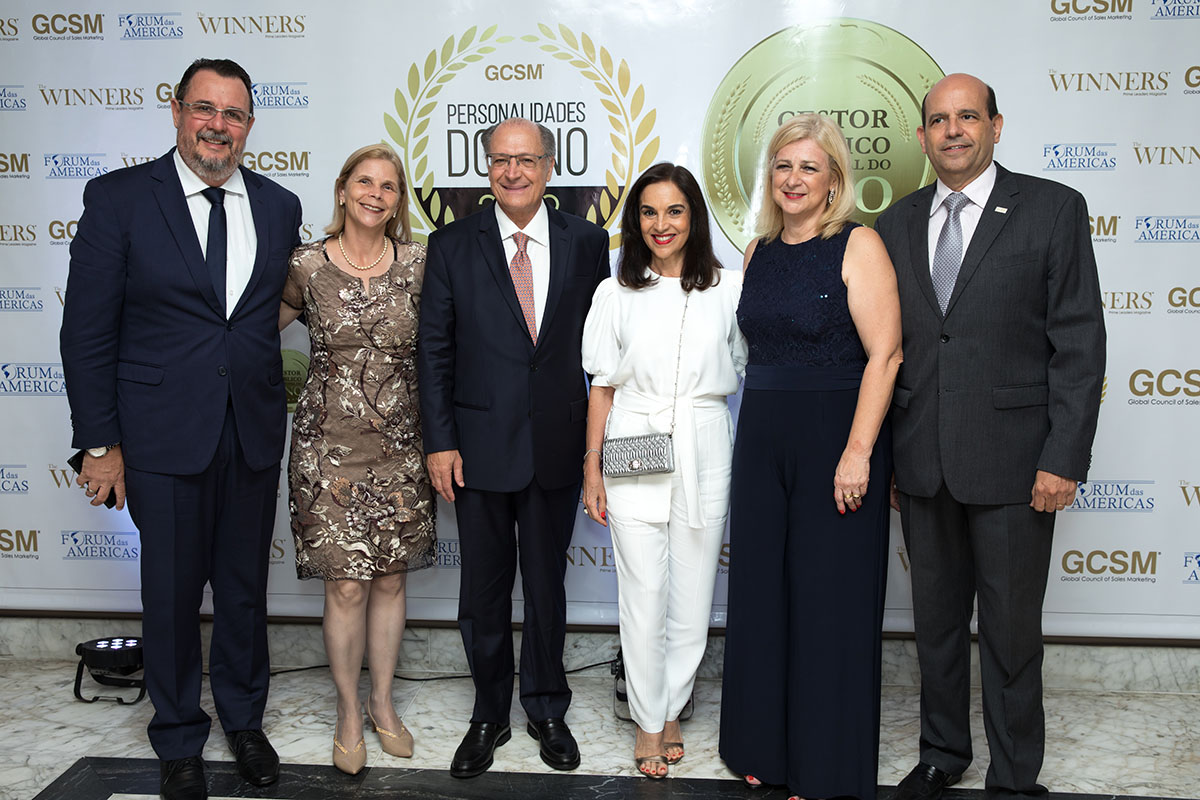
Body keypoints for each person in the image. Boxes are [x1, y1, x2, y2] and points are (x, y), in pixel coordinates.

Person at [59, 58, 302, 800]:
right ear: (176, 111)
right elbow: (86, 332)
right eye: (205, 109)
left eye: (233, 114)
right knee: (168, 596)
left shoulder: (279, 205)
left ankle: (245, 720)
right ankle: (177, 737)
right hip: (160, 436)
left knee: (244, 591)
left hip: (250, 431)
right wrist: (100, 445)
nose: (217, 126)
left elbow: (261, 316)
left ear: (249, 125)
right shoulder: (120, 199)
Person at [875, 73, 1105, 800]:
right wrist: (886, 457)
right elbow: (890, 349)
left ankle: (1014, 777)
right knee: (936, 628)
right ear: (922, 136)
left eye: (968, 117)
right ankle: (943, 753)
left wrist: (1063, 458)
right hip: (922, 462)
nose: (953, 131)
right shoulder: (895, 224)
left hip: (1016, 464)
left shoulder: (1052, 208)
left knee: (1010, 634)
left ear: (996, 126)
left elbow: (1079, 345)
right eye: (939, 120)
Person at [417, 117, 610, 778]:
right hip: (476, 450)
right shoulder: (450, 244)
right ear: (487, 168)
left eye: (526, 160)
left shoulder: (588, 242)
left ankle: (547, 708)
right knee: (483, 593)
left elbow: (600, 352)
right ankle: (489, 713)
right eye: (501, 160)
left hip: (557, 444)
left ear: (549, 168)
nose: (513, 172)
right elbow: (434, 352)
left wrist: (595, 449)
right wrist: (440, 443)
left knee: (548, 589)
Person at [719, 114, 903, 800]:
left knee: (829, 603)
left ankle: (823, 767)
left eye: (809, 168)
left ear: (833, 181)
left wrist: (858, 452)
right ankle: (761, 747)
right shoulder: (758, 251)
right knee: (761, 592)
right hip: (763, 434)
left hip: (836, 437)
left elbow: (886, 355)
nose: (793, 179)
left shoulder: (858, 244)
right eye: (783, 166)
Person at [580, 163, 746, 779]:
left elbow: (744, 363)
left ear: (694, 217)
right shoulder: (615, 293)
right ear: (635, 221)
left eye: (674, 210)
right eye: (649, 212)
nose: (661, 224)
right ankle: (649, 719)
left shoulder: (729, 290)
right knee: (642, 591)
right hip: (634, 436)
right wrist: (592, 467)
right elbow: (602, 386)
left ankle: (673, 705)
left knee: (694, 594)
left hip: (706, 440)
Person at [279, 143, 436, 774]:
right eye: (364, 182)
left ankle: (382, 703)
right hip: (326, 452)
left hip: (402, 449)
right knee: (346, 585)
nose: (375, 194)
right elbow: (248, 330)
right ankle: (348, 712)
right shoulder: (305, 265)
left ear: (398, 202)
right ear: (343, 189)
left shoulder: (421, 265)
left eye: (389, 186)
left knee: (391, 579)